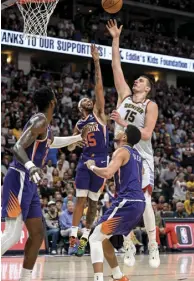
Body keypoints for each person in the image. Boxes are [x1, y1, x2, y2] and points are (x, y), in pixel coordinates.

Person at [1, 86, 90, 281]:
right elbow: (17, 147)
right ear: (52, 102)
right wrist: (31, 166)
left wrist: (76, 138)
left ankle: (25, 278)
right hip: (20, 177)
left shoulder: (45, 126)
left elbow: (52, 141)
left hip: (30, 184)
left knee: (37, 233)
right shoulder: (39, 119)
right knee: (12, 234)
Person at [106, 19, 160, 268]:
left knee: (145, 202)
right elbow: (116, 65)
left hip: (142, 155)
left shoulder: (151, 105)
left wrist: (123, 124)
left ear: (148, 89)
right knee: (123, 202)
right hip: (122, 154)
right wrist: (116, 38)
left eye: (140, 81)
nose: (136, 81)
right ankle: (128, 243)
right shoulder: (124, 96)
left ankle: (153, 245)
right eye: (136, 80)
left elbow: (147, 133)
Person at [85, 125, 145, 281]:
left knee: (94, 238)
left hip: (127, 201)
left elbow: (107, 172)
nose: (118, 131)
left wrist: (91, 166)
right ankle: (118, 276)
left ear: (124, 137)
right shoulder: (137, 155)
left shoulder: (121, 151)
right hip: (139, 203)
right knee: (102, 237)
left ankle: (98, 278)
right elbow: (139, 174)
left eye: (122, 130)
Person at [67, 44, 109, 256]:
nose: (88, 99)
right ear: (79, 107)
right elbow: (71, 147)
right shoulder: (79, 124)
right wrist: (77, 140)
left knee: (93, 203)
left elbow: (99, 87)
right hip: (85, 160)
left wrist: (96, 61)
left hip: (101, 160)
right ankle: (73, 238)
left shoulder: (99, 114)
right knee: (80, 198)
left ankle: (84, 237)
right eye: (84, 100)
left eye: (89, 98)